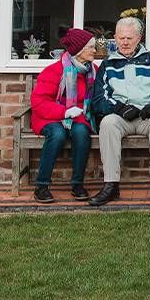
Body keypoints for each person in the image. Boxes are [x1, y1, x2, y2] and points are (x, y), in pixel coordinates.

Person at [87, 16, 150, 206]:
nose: (125, 42)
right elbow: (98, 99)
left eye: (129, 38)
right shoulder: (108, 65)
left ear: (139, 38)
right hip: (122, 117)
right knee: (108, 123)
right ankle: (111, 185)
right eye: (121, 38)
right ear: (115, 38)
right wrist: (118, 108)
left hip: (148, 116)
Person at [28, 28, 98, 203]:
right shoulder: (54, 71)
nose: (95, 51)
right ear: (79, 50)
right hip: (49, 117)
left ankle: (77, 184)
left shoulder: (93, 71)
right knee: (57, 134)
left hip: (79, 117)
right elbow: (39, 102)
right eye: (91, 47)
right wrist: (64, 112)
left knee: (82, 133)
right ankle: (42, 186)